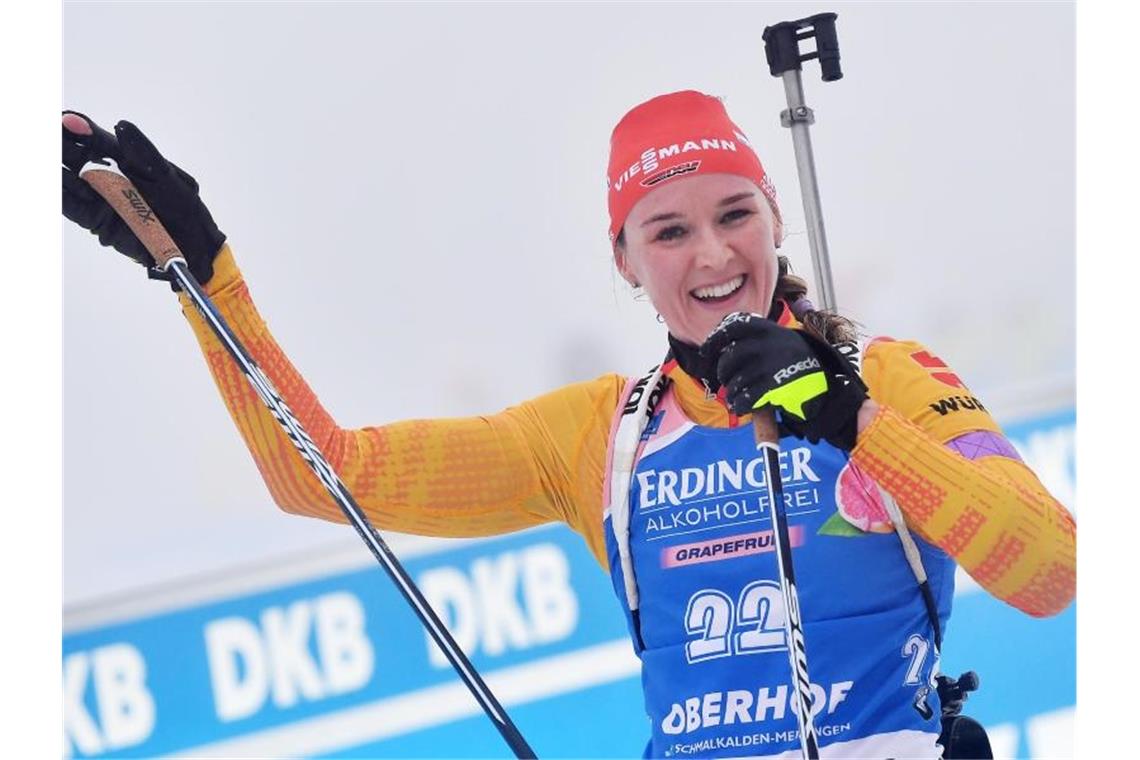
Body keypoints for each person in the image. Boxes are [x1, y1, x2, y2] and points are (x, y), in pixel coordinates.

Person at [62, 90, 1075, 759]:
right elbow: (328, 475)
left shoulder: (886, 378)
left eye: (734, 214)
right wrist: (208, 286)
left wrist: (851, 421)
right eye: (667, 230)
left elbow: (1050, 572)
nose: (712, 253)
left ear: (775, 220)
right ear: (627, 261)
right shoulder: (602, 434)